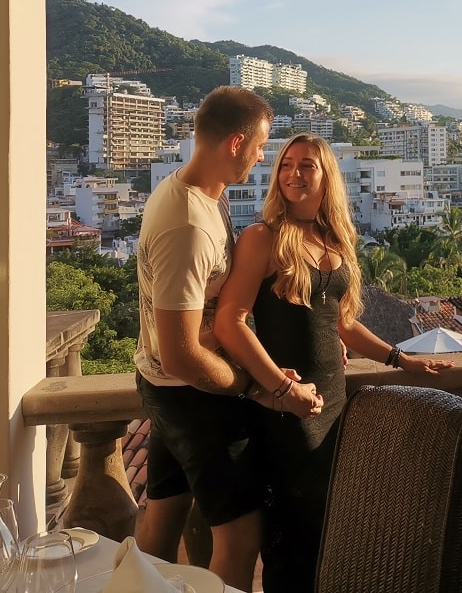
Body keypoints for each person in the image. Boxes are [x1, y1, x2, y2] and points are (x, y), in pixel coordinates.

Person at [214, 133, 454, 592]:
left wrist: (402, 360)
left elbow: (341, 323)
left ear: (327, 177)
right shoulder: (262, 238)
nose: (293, 174)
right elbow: (230, 321)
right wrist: (281, 391)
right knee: (293, 534)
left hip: (334, 401)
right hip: (286, 407)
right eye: (286, 165)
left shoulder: (334, 239)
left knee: (329, 524)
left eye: (307, 166)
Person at [133, 85, 298, 592]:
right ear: (235, 143)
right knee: (240, 535)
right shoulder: (187, 224)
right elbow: (182, 354)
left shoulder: (197, 194)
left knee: (162, 518)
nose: (262, 157)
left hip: (161, 386)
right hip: (193, 395)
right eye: (260, 146)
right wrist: (250, 386)